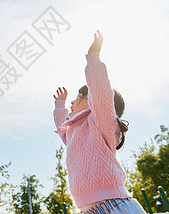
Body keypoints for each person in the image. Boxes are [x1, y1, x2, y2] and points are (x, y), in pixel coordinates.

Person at [53, 30, 146, 214]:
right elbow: (62, 128)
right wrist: (59, 106)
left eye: (80, 95)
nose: (73, 100)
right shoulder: (73, 131)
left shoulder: (100, 121)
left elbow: (101, 93)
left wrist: (93, 58)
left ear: (93, 100)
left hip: (115, 206)